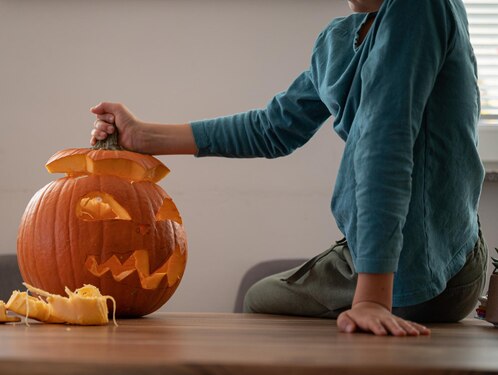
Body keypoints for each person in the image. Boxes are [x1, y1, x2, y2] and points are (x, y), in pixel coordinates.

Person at [89, 0, 487, 337]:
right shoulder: (339, 42)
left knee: (263, 303)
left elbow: (385, 147)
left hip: (427, 265)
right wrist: (142, 137)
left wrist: (371, 299)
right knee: (273, 305)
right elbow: (272, 128)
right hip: (412, 261)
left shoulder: (418, 8)